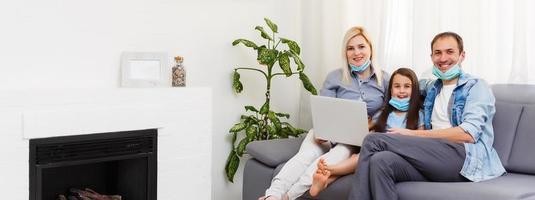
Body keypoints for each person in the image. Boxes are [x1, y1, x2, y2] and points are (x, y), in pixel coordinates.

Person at [348, 32, 506, 200]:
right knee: (380, 161)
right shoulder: (431, 88)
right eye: (438, 53)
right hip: (432, 159)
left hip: (464, 157)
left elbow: (468, 135)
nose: (443, 58)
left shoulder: (477, 86)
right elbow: (402, 84)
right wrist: (364, 66)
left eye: (450, 52)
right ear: (431, 57)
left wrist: (414, 135)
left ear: (462, 55)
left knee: (373, 140)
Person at [258, 26, 389, 200]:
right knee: (305, 156)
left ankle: (287, 197)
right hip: (326, 134)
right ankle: (272, 195)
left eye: (361, 46)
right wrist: (321, 130)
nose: (356, 52)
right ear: (345, 52)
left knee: (324, 164)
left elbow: (388, 110)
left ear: (370, 48)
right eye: (350, 48)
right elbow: (323, 108)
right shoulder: (335, 77)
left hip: (353, 142)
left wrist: (370, 124)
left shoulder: (385, 79)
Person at [309, 67, 425, 197]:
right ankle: (325, 180)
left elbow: (421, 139)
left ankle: (330, 169)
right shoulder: (384, 114)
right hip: (377, 152)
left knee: (363, 158)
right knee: (360, 157)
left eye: (407, 86)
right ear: (391, 90)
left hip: (398, 154)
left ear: (414, 90)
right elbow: (366, 130)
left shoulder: (418, 115)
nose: (402, 90)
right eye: (397, 86)